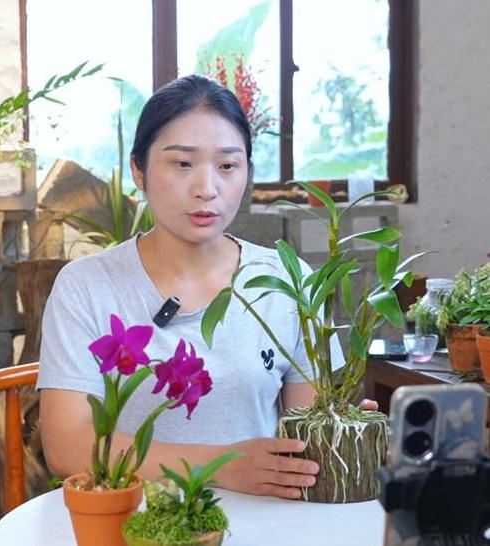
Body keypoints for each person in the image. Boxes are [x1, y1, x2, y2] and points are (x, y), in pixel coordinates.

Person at [37, 74, 362, 499]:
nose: (207, 189)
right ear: (139, 171)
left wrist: (342, 431)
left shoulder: (288, 279)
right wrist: (222, 466)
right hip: (131, 520)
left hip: (264, 518)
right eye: (182, 164)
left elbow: (304, 444)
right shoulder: (87, 286)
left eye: (227, 166)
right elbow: (67, 446)